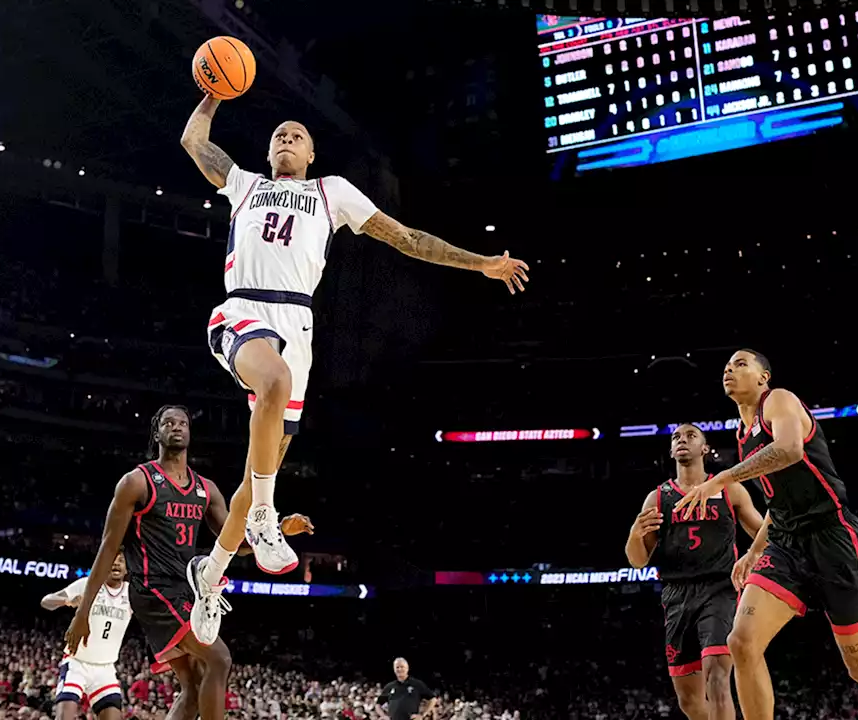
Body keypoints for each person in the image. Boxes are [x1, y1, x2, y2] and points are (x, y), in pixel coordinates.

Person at [178, 94, 530, 635]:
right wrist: (213, 93)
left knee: (261, 465)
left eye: (297, 135)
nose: (286, 139)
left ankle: (213, 572)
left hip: (298, 324)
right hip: (244, 308)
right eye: (279, 135)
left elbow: (407, 238)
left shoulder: (330, 192)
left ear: (312, 153)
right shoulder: (245, 184)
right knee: (273, 385)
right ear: (269, 151)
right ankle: (266, 520)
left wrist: (479, 263)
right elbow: (194, 143)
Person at [675, 350, 858, 720]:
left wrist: (722, 479)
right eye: (726, 365)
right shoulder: (743, 435)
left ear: (763, 377)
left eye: (741, 364)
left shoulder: (780, 401)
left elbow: (788, 450)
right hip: (787, 545)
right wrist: (755, 548)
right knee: (741, 642)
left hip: (833, 538)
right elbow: (780, 503)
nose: (729, 369)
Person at [66, 405, 313, 720]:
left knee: (195, 687)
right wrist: (83, 612)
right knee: (219, 659)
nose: (177, 427)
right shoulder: (137, 482)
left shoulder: (206, 489)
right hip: (153, 589)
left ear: (190, 433)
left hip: (188, 589)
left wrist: (277, 531)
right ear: (157, 433)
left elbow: (234, 542)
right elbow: (107, 547)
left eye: (182, 422)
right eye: (168, 423)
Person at [626, 423, 763, 720]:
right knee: (688, 700)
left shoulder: (729, 489)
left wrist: (757, 557)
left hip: (720, 590)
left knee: (717, 678)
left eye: (690, 436)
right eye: (676, 437)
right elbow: (638, 561)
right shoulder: (658, 497)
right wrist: (635, 535)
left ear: (704, 448)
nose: (682, 440)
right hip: (676, 595)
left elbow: (763, 534)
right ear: (671, 450)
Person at [42, 550, 132, 720]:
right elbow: (46, 601)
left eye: (121, 560)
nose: (116, 563)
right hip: (77, 664)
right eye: (112, 559)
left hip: (105, 669)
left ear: (127, 569)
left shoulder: (131, 593)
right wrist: (66, 601)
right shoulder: (87, 584)